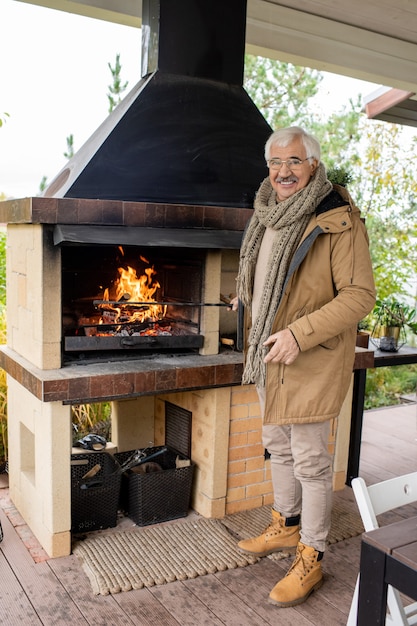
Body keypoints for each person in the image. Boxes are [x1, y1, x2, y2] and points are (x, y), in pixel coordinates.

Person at [229, 126, 375, 608]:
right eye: (274, 162)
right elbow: (272, 274)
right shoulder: (268, 212)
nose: (282, 171)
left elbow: (359, 296)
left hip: (309, 355)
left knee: (312, 461)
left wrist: (298, 334)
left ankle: (312, 554)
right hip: (269, 353)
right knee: (278, 444)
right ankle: (287, 526)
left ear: (313, 164)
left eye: (293, 161)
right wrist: (245, 295)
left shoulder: (337, 218)